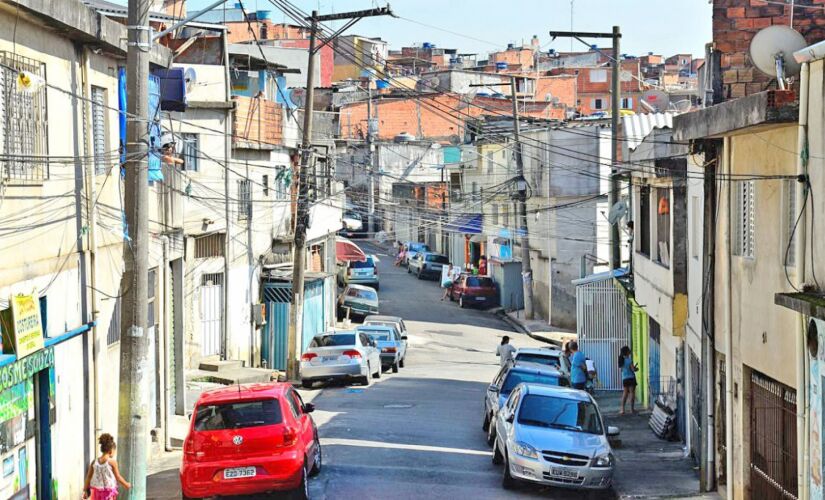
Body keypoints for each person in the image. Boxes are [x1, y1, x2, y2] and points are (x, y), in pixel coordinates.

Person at [83, 433, 131, 500]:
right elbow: (118, 477)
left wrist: (85, 490)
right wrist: (126, 484)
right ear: (111, 450)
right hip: (108, 492)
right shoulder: (112, 462)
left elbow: (88, 477)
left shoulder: (94, 462)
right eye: (114, 451)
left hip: (97, 492)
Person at [619, 345, 639, 415]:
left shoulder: (621, 361)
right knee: (632, 393)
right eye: (629, 350)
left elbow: (622, 370)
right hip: (631, 378)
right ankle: (632, 409)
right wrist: (636, 368)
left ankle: (622, 409)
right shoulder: (629, 360)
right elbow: (633, 369)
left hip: (625, 378)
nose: (630, 351)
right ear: (627, 352)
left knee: (625, 394)